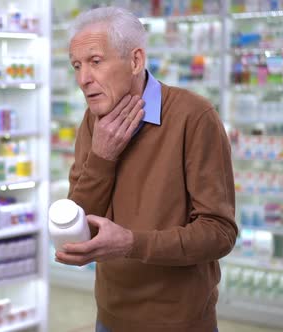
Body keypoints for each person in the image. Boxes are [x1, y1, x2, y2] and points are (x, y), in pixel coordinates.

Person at [55, 7, 237, 332]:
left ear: (136, 60)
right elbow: (81, 222)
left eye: (95, 61)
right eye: (77, 65)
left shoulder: (193, 117)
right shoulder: (92, 121)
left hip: (179, 323)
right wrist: (102, 157)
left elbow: (219, 233)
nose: (83, 79)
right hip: (109, 317)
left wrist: (131, 243)